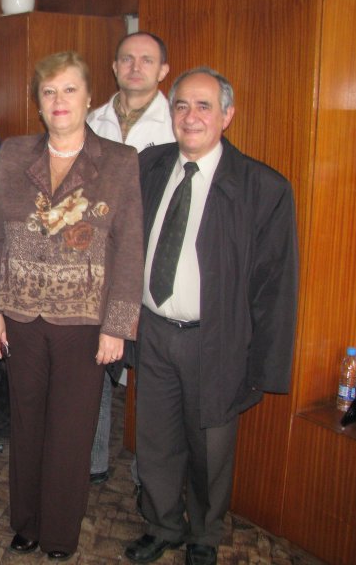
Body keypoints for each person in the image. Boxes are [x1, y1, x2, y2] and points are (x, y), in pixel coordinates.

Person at [124, 68, 298, 565]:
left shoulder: (263, 187)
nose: (191, 116)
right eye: (181, 105)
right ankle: (162, 524)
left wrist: (263, 366)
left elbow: (275, 286)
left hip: (216, 341)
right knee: (155, 441)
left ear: (227, 115)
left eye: (204, 106)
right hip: (154, 330)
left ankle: (204, 533)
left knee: (211, 449)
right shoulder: (148, 166)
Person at [0, 51, 144, 561]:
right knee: (27, 424)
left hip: (85, 323)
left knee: (71, 431)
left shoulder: (118, 161)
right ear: (38, 102)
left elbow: (129, 249)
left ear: (90, 98)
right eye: (49, 92)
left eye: (70, 89)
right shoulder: (14, 153)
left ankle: (59, 534)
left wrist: (117, 326)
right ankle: (26, 523)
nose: (59, 100)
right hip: (21, 317)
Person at [86, 31, 175, 487]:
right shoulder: (91, 120)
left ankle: (149, 481)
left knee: (153, 376)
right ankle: (94, 462)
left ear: (163, 71)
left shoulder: (177, 124)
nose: (135, 67)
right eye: (126, 59)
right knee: (95, 364)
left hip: (157, 262)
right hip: (98, 263)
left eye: (146, 60)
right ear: (114, 67)